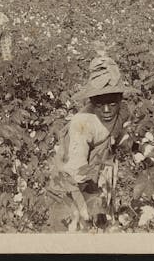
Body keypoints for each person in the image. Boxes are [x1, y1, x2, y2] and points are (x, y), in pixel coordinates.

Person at [47, 56, 134, 232]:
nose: (107, 110)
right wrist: (93, 211)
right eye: (100, 104)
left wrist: (138, 150)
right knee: (76, 227)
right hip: (73, 181)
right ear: (91, 101)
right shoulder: (83, 123)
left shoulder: (123, 111)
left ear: (121, 99)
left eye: (112, 103)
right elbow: (77, 173)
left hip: (99, 172)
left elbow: (119, 135)